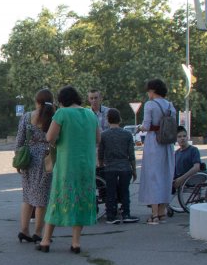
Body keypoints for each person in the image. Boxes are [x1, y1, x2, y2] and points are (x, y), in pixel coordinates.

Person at [37, 86, 100, 254]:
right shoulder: (91, 114)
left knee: (57, 199)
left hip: (66, 164)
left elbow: (50, 137)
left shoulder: (62, 114)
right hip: (86, 165)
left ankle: (45, 241)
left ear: (62, 100)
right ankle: (76, 243)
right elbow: (98, 138)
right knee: (80, 201)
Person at [15, 88, 54, 243]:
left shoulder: (26, 117)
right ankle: (38, 232)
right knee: (42, 198)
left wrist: (18, 158)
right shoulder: (53, 117)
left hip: (29, 157)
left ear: (37, 101)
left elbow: (19, 140)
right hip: (46, 157)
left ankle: (24, 230)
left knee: (27, 196)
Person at [138, 78, 176, 225]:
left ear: (152, 91)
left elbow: (147, 126)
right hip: (167, 143)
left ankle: (154, 213)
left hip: (154, 142)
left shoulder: (150, 105)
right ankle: (162, 212)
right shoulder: (170, 106)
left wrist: (140, 127)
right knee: (166, 175)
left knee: (153, 176)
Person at [98, 108, 138, 224]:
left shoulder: (104, 135)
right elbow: (131, 154)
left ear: (107, 120)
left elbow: (101, 153)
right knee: (125, 191)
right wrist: (134, 170)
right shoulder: (127, 134)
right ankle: (126, 214)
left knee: (111, 191)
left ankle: (111, 215)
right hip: (125, 167)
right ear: (120, 119)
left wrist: (101, 165)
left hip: (110, 167)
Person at [172, 126, 202, 193]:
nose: (182, 138)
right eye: (179, 137)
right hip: (177, 180)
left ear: (187, 137)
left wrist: (181, 179)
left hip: (189, 179)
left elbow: (196, 167)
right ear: (176, 139)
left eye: (184, 136)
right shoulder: (176, 153)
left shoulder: (193, 150)